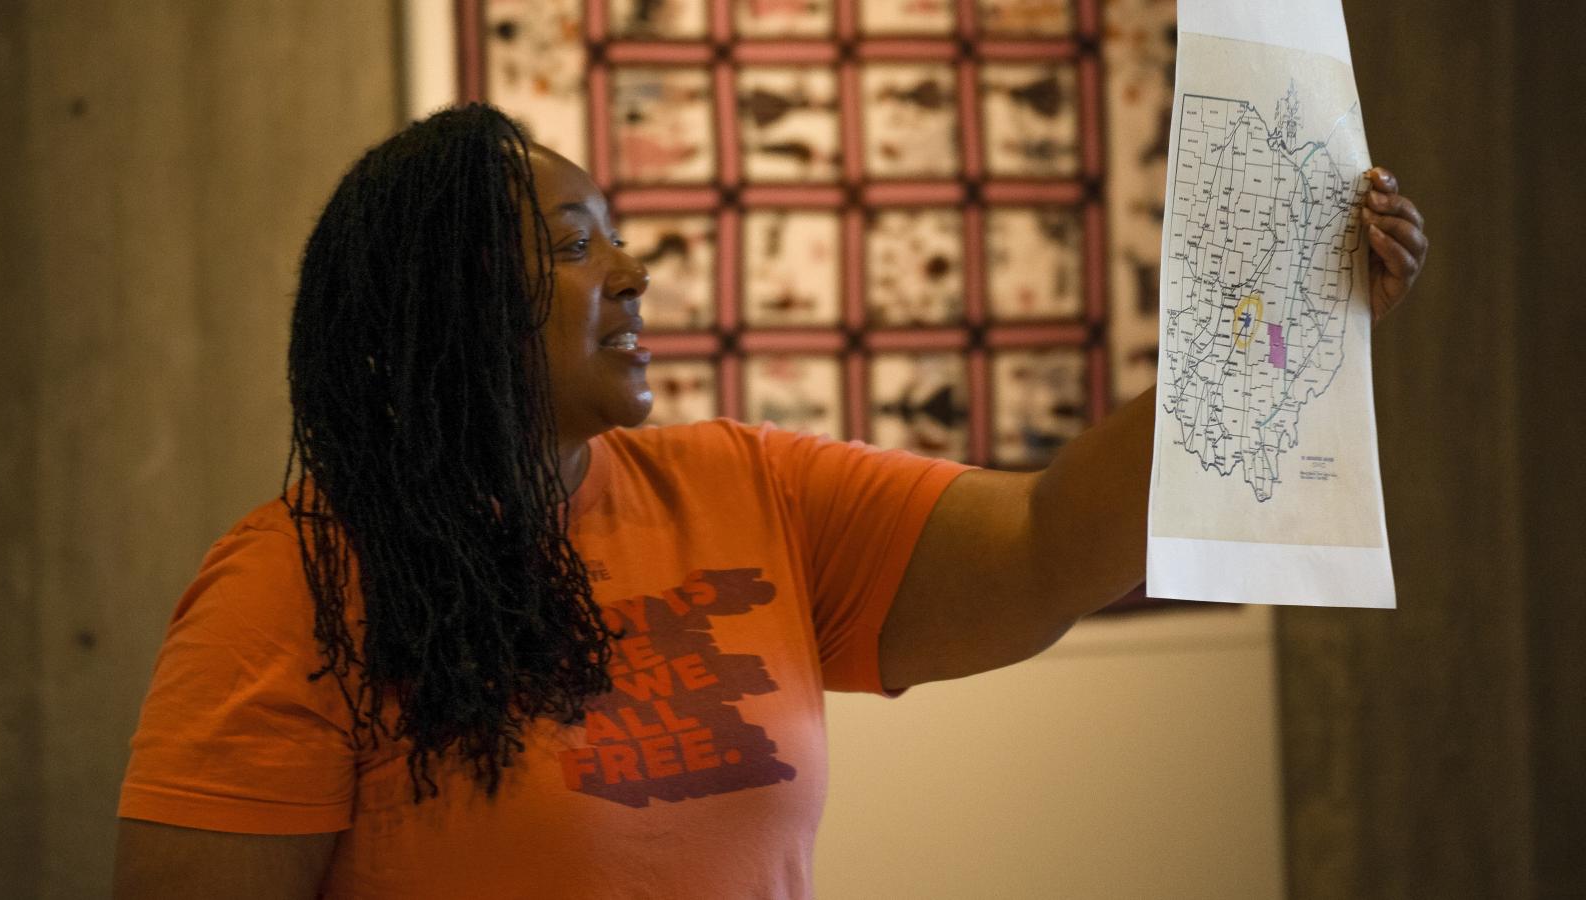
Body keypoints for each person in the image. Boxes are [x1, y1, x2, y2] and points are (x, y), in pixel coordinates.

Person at [112, 104, 1427, 898]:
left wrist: (1276, 309)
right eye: (573, 245)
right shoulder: (291, 589)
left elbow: (1043, 544)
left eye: (617, 233)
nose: (632, 271)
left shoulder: (746, 490)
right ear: (442, 305)